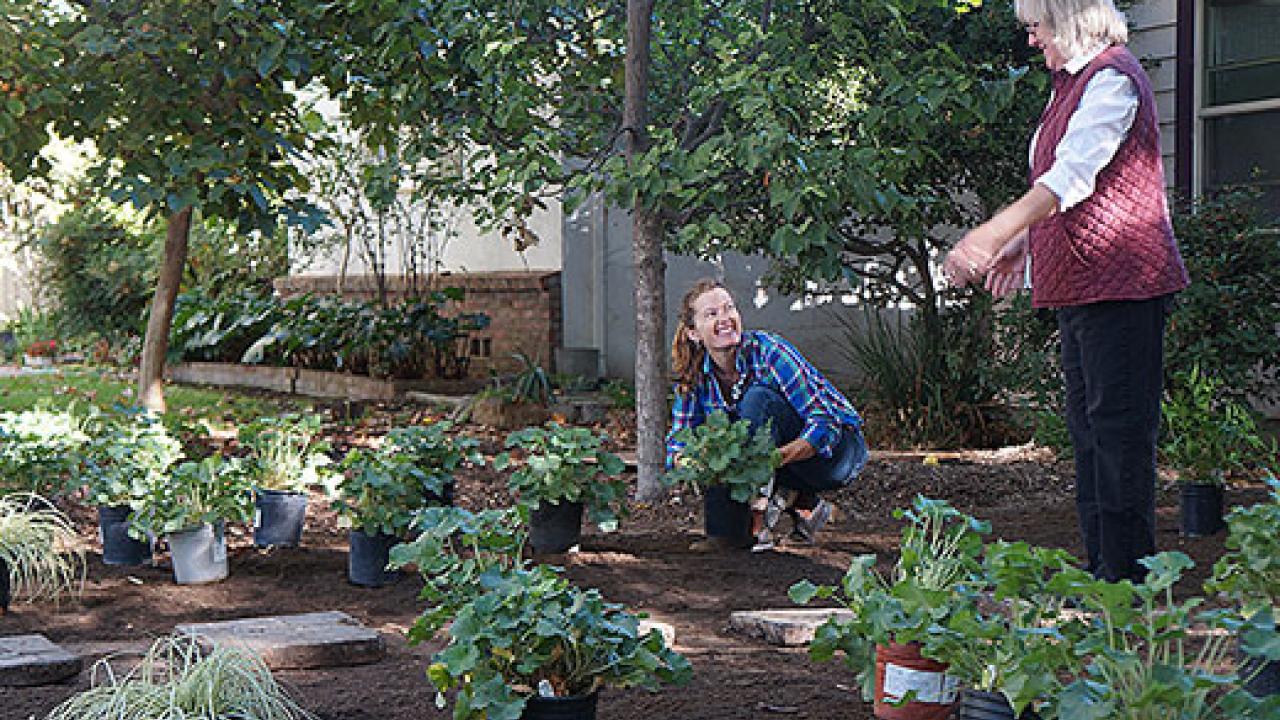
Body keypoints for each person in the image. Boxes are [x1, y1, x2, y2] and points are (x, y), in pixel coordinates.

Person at [943, 0, 1188, 583]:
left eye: (1037, 27)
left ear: (1070, 20)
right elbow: (1066, 188)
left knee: (1119, 439)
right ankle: (1101, 575)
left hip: (1123, 287)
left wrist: (990, 232)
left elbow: (1072, 176)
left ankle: (1126, 588)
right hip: (1081, 288)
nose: (1032, 41)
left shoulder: (1113, 80)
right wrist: (1024, 242)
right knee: (1088, 436)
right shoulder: (1069, 85)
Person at [666, 278, 868, 552]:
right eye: (711, 314)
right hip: (774, 462)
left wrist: (770, 461)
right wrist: (695, 461)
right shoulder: (694, 377)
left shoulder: (770, 351)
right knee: (726, 541)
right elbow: (678, 443)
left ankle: (762, 520)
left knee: (757, 400)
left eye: (729, 308)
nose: (724, 318)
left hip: (836, 453)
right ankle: (799, 503)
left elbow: (824, 422)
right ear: (693, 333)